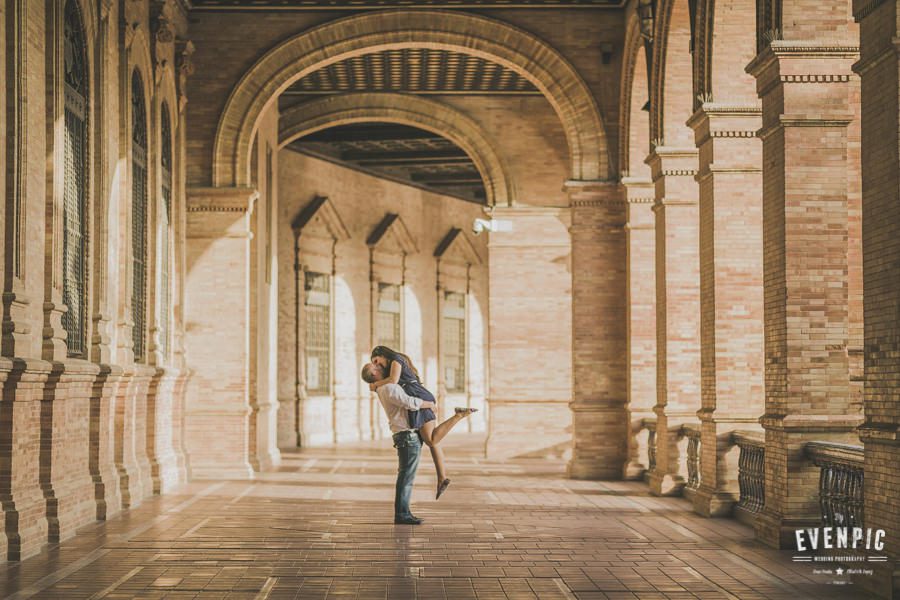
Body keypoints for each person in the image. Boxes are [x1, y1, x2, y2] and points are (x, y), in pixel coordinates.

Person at [368, 346, 477, 500]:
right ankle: (442, 478)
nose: (377, 365)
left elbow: (393, 380)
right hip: (417, 398)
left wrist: (375, 385)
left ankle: (458, 415)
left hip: (419, 398)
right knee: (433, 441)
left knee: (431, 439)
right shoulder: (397, 361)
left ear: (381, 354)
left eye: (376, 361)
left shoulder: (395, 360)